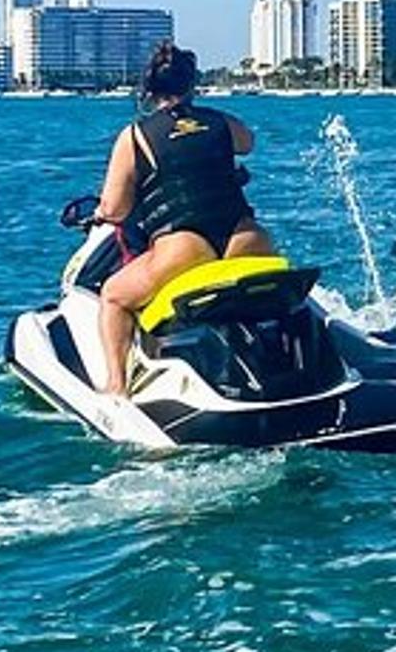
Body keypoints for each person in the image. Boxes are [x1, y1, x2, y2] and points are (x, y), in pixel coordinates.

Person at [93, 41, 276, 395]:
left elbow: (114, 209)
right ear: (191, 85)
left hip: (186, 248)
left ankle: (116, 386)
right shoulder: (221, 121)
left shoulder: (136, 136)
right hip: (247, 239)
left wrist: (100, 213)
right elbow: (247, 143)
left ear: (149, 90)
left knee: (114, 297)